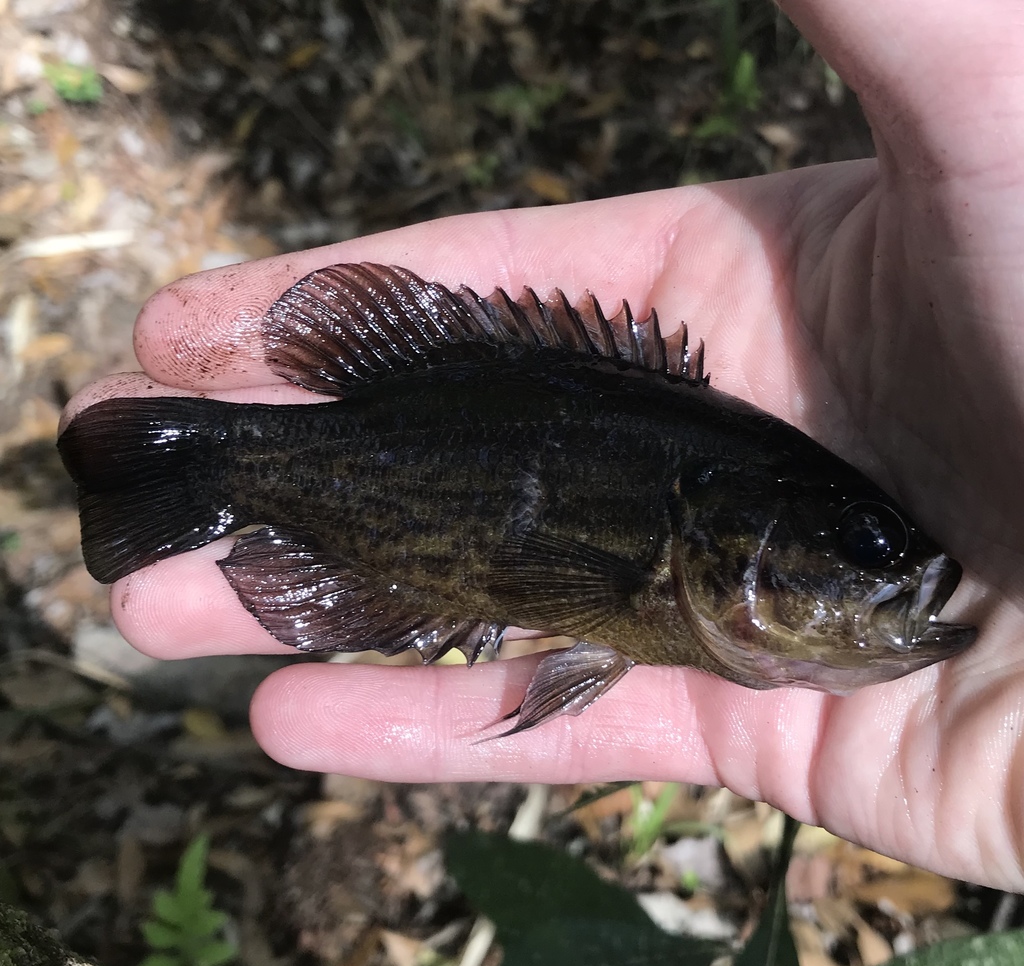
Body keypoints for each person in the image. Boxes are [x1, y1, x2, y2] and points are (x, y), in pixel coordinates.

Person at [64, 0, 1024, 892]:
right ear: (729, 531)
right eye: (860, 545)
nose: (896, 572)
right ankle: (197, 468)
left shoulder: (706, 528)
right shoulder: (696, 523)